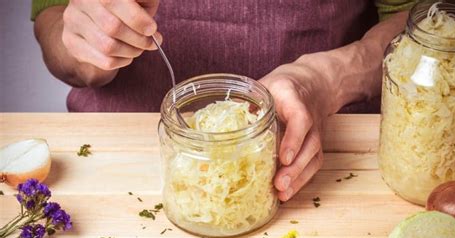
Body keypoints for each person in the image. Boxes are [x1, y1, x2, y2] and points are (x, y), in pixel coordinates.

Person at [32, 0, 416, 201]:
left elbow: (423, 17)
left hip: (329, 157)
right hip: (113, 160)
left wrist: (326, 78)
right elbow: (53, 21)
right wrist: (85, 45)